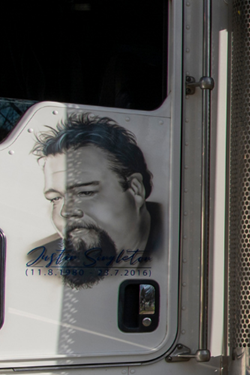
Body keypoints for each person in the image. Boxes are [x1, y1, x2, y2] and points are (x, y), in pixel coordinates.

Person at [29, 112, 159, 288]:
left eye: (85, 192)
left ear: (135, 189)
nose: (65, 210)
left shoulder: (180, 241)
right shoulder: (40, 262)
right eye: (55, 198)